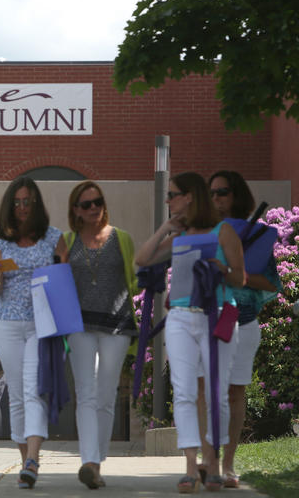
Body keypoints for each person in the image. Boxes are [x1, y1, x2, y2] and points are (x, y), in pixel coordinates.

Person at [134, 172, 245, 493]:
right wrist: (164, 229)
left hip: (219, 314)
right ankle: (189, 466)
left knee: (216, 391)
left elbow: (240, 278)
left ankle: (213, 462)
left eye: (172, 195)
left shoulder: (224, 232)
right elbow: (143, 260)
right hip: (181, 316)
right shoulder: (179, 236)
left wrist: (220, 270)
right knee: (183, 391)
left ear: (190, 197)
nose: (168, 201)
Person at [196, 170, 281, 488]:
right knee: (206, 391)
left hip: (241, 319)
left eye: (223, 192)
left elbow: (271, 284)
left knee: (234, 392)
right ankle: (209, 462)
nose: (217, 198)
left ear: (237, 195)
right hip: (202, 319)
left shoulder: (256, 235)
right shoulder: (201, 232)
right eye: (212, 192)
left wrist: (233, 273)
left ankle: (228, 465)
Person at [0, 176, 68, 489]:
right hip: (7, 322)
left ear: (36, 205)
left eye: (27, 202)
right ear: (10, 205)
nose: (21, 207)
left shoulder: (53, 238)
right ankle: (26, 464)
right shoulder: (0, 240)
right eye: (17, 202)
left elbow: (65, 280)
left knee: (35, 389)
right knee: (17, 395)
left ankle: (33, 456)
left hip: (41, 324)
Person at [63, 181, 139, 489]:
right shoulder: (67, 241)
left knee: (107, 394)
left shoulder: (122, 238)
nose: (93, 208)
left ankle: (98, 458)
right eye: (86, 204)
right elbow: (59, 281)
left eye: (97, 202)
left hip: (117, 325)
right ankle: (89, 463)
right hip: (79, 326)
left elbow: (134, 280)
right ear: (76, 210)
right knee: (86, 393)